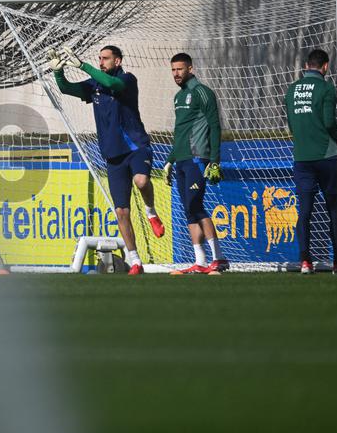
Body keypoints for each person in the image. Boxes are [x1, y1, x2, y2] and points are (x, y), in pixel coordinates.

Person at [50, 45, 165, 276]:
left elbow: (112, 85)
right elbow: (66, 89)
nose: (101, 62)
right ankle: (135, 261)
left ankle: (151, 212)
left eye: (105, 58)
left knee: (142, 182)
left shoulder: (127, 79)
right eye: (99, 59)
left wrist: (83, 65)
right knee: (121, 212)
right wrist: (58, 72)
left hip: (135, 147)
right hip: (113, 155)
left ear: (118, 61)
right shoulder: (94, 85)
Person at [165, 53, 228, 274]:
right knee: (189, 210)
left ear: (190, 69)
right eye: (173, 70)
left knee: (195, 205)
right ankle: (200, 261)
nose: (176, 74)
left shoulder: (203, 92)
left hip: (197, 159)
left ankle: (219, 258)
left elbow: (215, 127)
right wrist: (170, 161)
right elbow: (180, 132)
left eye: (180, 69)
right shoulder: (177, 97)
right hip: (181, 160)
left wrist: (214, 161)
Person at [284, 49, 337, 275]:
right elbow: (329, 122)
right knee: (334, 210)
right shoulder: (326, 88)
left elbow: (291, 124)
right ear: (325, 67)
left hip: (302, 158)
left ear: (307, 65)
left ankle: (305, 261)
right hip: (326, 156)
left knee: (304, 211)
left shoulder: (291, 90)